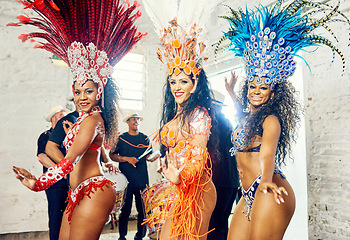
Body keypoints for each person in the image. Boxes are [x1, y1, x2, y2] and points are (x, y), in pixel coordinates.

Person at [10, 0, 146, 239]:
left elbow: (70, 162)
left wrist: (38, 183)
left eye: (89, 91)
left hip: (94, 190)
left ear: (99, 92)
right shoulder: (82, 120)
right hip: (76, 192)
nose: (82, 97)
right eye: (78, 91)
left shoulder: (94, 120)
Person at [217, 2, 350, 239]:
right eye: (253, 86)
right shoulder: (248, 118)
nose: (256, 91)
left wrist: (266, 181)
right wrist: (231, 94)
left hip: (269, 188)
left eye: (264, 87)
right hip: (248, 193)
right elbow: (241, 118)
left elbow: (267, 154)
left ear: (273, 93)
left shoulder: (271, 121)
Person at [143, 16, 218, 239]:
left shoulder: (198, 114)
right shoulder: (175, 115)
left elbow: (197, 154)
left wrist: (181, 176)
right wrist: (163, 161)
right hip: (179, 188)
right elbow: (177, 146)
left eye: (183, 81)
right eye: (173, 81)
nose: (177, 87)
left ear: (194, 84)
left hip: (198, 189)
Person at [109, 111, 157, 240]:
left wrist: (152, 158)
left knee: (143, 210)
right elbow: (112, 155)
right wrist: (126, 158)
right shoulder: (121, 139)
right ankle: (122, 236)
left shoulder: (145, 138)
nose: (136, 121)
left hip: (142, 180)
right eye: (133, 119)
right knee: (125, 210)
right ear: (128, 122)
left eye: (137, 119)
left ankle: (139, 236)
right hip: (126, 180)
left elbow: (148, 156)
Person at [206, 91, 240, 240]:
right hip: (231, 181)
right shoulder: (227, 123)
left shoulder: (211, 125)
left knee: (214, 224)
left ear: (214, 106)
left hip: (218, 181)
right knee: (222, 222)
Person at [37, 105, 67, 240]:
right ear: (54, 118)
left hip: (70, 184)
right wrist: (62, 171)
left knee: (69, 218)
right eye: (62, 116)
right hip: (55, 186)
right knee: (55, 219)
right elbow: (42, 158)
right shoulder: (45, 136)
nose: (65, 119)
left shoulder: (68, 138)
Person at [46, 97, 79, 164]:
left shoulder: (90, 119)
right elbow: (48, 150)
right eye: (60, 115)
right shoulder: (69, 120)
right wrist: (67, 168)